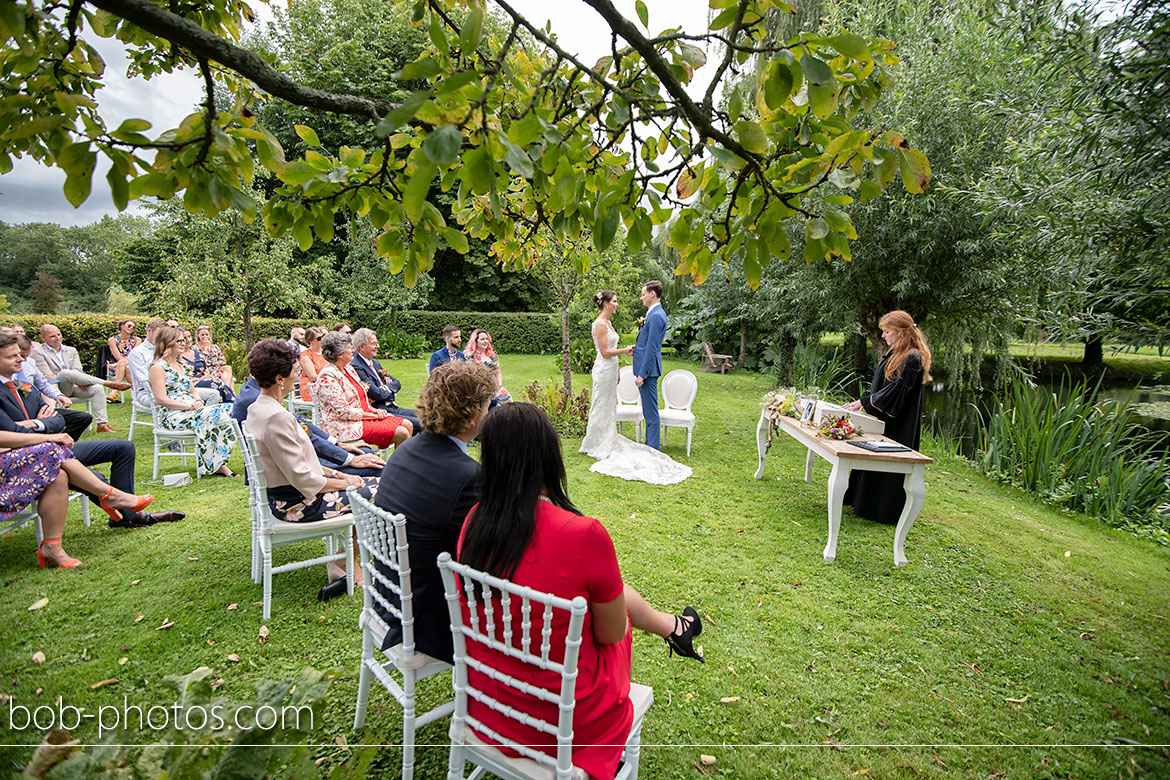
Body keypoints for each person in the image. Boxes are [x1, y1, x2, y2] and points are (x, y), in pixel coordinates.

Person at [457, 403, 705, 779]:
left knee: (608, 599)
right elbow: (611, 634)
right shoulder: (583, 533)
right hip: (563, 721)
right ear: (547, 458)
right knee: (615, 611)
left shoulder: (473, 522)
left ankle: (674, 627)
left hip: (490, 701)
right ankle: (674, 629)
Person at [372, 359, 497, 663]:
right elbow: (486, 556)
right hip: (427, 620)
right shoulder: (467, 476)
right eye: (486, 406)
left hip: (388, 599)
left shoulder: (406, 450)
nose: (490, 412)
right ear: (471, 418)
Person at [0, 333, 182, 530]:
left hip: (51, 447)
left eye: (20, 354)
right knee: (93, 477)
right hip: (25, 457)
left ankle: (127, 512)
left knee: (123, 447)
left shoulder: (23, 385)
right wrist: (37, 427)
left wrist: (37, 424)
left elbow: (58, 418)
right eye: (13, 356)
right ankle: (131, 516)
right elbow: (10, 431)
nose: (22, 359)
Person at [244, 339, 375, 596]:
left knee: (371, 484)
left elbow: (303, 465)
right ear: (280, 378)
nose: (300, 372)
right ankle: (343, 562)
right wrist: (346, 483)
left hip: (291, 496)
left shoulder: (259, 408)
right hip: (296, 506)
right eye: (295, 368)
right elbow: (304, 479)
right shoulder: (276, 417)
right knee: (382, 492)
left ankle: (346, 560)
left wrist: (341, 473)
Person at [579, 290, 691, 485]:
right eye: (614, 301)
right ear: (605, 304)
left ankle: (607, 438)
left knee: (609, 405)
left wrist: (618, 370)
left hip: (611, 369)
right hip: (603, 369)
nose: (617, 304)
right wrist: (625, 351)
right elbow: (604, 351)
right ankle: (594, 442)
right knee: (600, 404)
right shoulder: (599, 324)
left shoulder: (609, 323)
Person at [843, 310, 933, 524]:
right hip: (886, 419)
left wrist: (867, 403)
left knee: (886, 462)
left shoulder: (912, 358)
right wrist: (862, 401)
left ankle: (881, 510)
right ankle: (862, 503)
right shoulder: (896, 353)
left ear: (901, 333)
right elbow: (880, 385)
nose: (884, 336)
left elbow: (895, 392)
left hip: (898, 423)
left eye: (887, 331)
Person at [232, 375, 385, 478]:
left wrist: (338, 444)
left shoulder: (256, 394)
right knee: (376, 467)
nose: (298, 375)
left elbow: (302, 424)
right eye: (294, 370)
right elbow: (305, 438)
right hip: (290, 472)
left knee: (364, 453)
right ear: (279, 378)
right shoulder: (261, 403)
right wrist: (346, 463)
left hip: (294, 464)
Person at [148, 327, 238, 477]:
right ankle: (214, 464)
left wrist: (197, 400)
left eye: (183, 340)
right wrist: (188, 406)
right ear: (167, 343)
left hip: (192, 410)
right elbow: (161, 399)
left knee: (230, 410)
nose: (183, 343)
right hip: (174, 415)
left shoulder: (182, 365)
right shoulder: (158, 367)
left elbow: (193, 390)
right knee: (215, 415)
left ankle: (218, 461)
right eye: (179, 341)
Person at [315, 331, 412, 449]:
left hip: (363, 417)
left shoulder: (349, 369)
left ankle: (398, 465)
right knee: (402, 433)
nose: (353, 351)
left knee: (408, 424)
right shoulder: (328, 377)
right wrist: (373, 416)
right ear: (339, 354)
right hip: (345, 425)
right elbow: (343, 412)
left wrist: (374, 410)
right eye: (350, 348)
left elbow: (361, 400)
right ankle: (396, 467)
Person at [30, 324, 130, 434]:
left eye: (59, 334)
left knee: (97, 388)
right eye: (52, 336)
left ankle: (102, 424)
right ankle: (110, 384)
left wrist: (78, 380)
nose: (58, 338)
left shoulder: (71, 350)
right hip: (55, 389)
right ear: (42, 338)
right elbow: (49, 376)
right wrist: (76, 378)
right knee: (65, 373)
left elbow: (77, 370)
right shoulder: (37, 352)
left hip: (74, 386)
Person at [13, 335, 91, 441]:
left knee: (82, 418)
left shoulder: (30, 363)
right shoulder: (7, 370)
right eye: (21, 355)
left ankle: (61, 446)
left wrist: (58, 395)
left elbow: (43, 384)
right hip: (18, 412)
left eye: (27, 356)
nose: (23, 360)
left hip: (35, 407)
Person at [349, 328, 422, 433]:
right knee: (419, 424)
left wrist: (386, 388)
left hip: (392, 406)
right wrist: (388, 391)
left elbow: (397, 383)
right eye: (374, 344)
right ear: (362, 346)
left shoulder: (375, 363)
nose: (377, 346)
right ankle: (411, 449)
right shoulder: (356, 366)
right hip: (380, 410)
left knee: (425, 415)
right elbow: (376, 394)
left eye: (377, 343)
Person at [632, 281, 668, 450]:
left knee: (651, 412)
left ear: (652, 294)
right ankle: (650, 445)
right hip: (647, 369)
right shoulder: (653, 314)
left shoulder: (657, 315)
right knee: (648, 410)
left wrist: (642, 374)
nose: (642, 297)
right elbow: (646, 343)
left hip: (648, 371)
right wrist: (636, 348)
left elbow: (652, 348)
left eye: (643, 294)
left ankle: (652, 448)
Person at [180, 328, 236, 403]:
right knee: (216, 382)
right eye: (184, 338)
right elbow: (184, 377)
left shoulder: (196, 353)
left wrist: (207, 375)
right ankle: (233, 403)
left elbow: (206, 368)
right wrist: (200, 379)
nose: (188, 340)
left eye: (189, 337)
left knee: (226, 371)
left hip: (207, 376)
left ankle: (232, 402)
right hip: (193, 383)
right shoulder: (180, 356)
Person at [464, 328, 511, 404]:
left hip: (495, 387)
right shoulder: (470, 357)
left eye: (486, 339)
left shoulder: (492, 356)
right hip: (480, 389)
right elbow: (469, 376)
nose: (485, 341)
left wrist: (499, 385)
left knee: (507, 400)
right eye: (482, 339)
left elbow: (498, 372)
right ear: (475, 341)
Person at [105, 319, 140, 402]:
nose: (131, 328)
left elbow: (132, 356)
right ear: (122, 326)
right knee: (125, 366)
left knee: (125, 365)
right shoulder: (112, 340)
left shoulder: (137, 340)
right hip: (119, 367)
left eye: (133, 327)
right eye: (129, 326)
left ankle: (115, 390)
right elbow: (118, 357)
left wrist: (117, 364)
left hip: (132, 364)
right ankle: (138, 394)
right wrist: (118, 363)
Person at [193, 325, 234, 391]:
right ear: (198, 336)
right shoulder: (196, 348)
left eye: (207, 334)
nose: (205, 337)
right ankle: (229, 393)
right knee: (227, 377)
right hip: (206, 371)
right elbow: (201, 362)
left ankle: (227, 389)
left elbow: (222, 360)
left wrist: (216, 365)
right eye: (202, 335)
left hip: (217, 368)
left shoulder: (214, 347)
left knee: (228, 368)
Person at [298, 327, 329, 401]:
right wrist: (331, 379)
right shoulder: (305, 355)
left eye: (323, 337)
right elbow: (313, 377)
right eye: (319, 338)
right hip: (312, 388)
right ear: (309, 341)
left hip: (326, 385)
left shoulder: (326, 352)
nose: (322, 340)